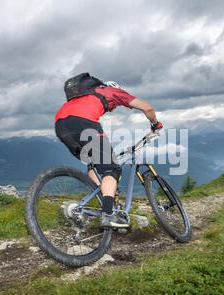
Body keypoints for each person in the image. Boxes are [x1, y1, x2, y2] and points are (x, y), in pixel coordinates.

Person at [55, 73, 163, 228]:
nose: (113, 109)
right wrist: (155, 123)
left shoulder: (85, 96)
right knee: (112, 169)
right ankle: (108, 214)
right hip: (83, 123)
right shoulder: (112, 91)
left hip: (60, 125)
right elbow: (147, 108)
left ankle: (102, 200)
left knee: (94, 164)